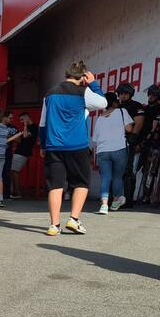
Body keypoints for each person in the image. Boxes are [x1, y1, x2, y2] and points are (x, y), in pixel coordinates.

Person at [39, 60, 108, 235]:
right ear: (83, 77)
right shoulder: (84, 92)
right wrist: (93, 84)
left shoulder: (50, 94)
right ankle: (73, 219)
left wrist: (43, 145)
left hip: (54, 146)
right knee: (81, 182)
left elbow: (43, 124)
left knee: (55, 185)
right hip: (77, 146)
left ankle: (54, 225)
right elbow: (103, 103)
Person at [91, 92, 134, 214]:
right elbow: (129, 129)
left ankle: (104, 205)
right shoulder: (122, 111)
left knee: (105, 177)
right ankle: (115, 201)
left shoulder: (100, 118)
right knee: (117, 177)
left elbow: (95, 139)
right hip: (119, 148)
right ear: (115, 102)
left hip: (103, 151)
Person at [11, 112, 36, 198]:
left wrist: (25, 125)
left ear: (27, 118)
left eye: (22, 119)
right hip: (20, 151)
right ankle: (14, 191)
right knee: (13, 171)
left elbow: (25, 136)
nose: (21, 122)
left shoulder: (33, 127)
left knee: (14, 170)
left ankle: (16, 192)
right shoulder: (28, 128)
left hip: (23, 152)